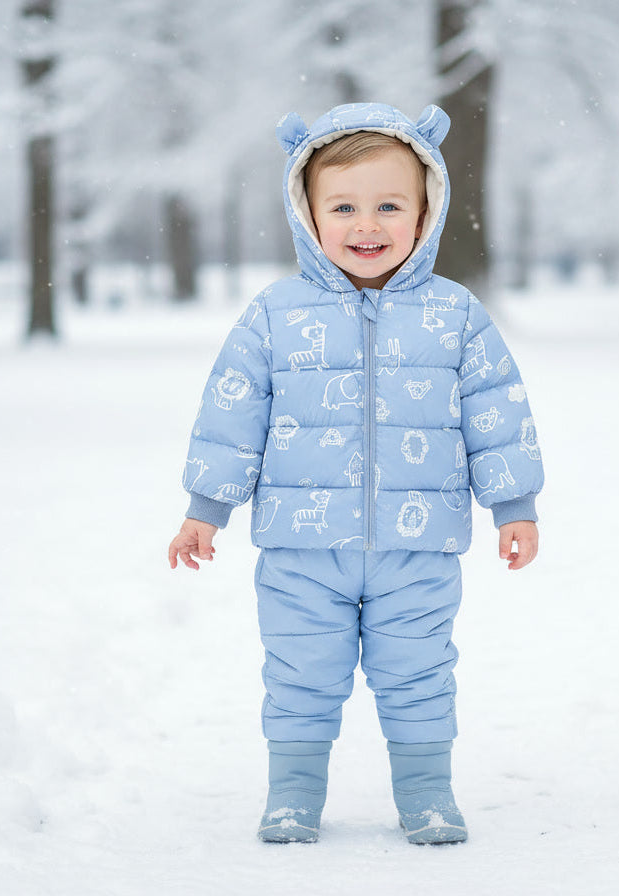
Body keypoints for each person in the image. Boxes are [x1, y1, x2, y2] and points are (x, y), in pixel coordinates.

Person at [168, 103, 544, 845]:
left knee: (419, 675)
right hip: (302, 549)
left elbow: (497, 410)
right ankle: (294, 794)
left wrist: (515, 506)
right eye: (342, 206)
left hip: (418, 547)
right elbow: (232, 409)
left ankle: (429, 793)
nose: (366, 225)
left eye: (389, 205)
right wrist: (206, 507)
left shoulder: (454, 315)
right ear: (306, 213)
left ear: (425, 211)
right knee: (301, 673)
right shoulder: (276, 313)